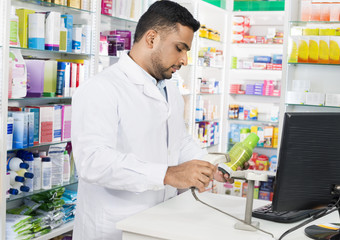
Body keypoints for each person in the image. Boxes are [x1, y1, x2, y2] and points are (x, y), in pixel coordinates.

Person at [71, 1, 229, 239]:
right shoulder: (101, 88)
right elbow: (93, 162)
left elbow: (179, 140)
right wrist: (167, 174)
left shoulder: (170, 90)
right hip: (113, 227)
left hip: (158, 221)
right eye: (180, 48)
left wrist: (208, 166)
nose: (185, 60)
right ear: (152, 39)